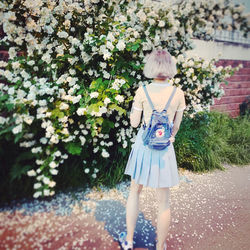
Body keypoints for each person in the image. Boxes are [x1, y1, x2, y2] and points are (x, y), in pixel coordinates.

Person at [118, 49, 186, 250]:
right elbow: (176, 127)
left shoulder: (142, 91)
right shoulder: (178, 93)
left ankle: (129, 241)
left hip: (144, 146)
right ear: (170, 66)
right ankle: (160, 245)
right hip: (165, 148)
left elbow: (133, 123)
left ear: (151, 66)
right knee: (164, 201)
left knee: (134, 191)